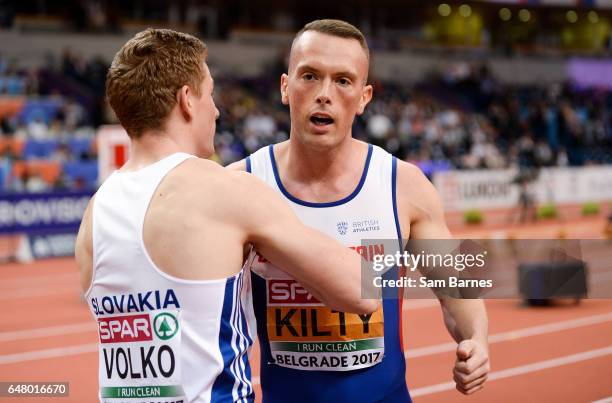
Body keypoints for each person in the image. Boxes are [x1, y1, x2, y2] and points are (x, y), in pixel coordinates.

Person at [74, 28, 377, 403]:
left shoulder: (94, 214)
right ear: (187, 100)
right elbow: (361, 290)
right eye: (210, 94)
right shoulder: (225, 190)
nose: (216, 110)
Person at [228, 20, 490, 402]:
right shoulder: (242, 185)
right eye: (310, 76)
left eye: (343, 81)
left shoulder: (403, 186)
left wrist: (477, 341)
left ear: (365, 97)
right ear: (285, 86)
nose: (324, 94)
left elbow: (455, 290)